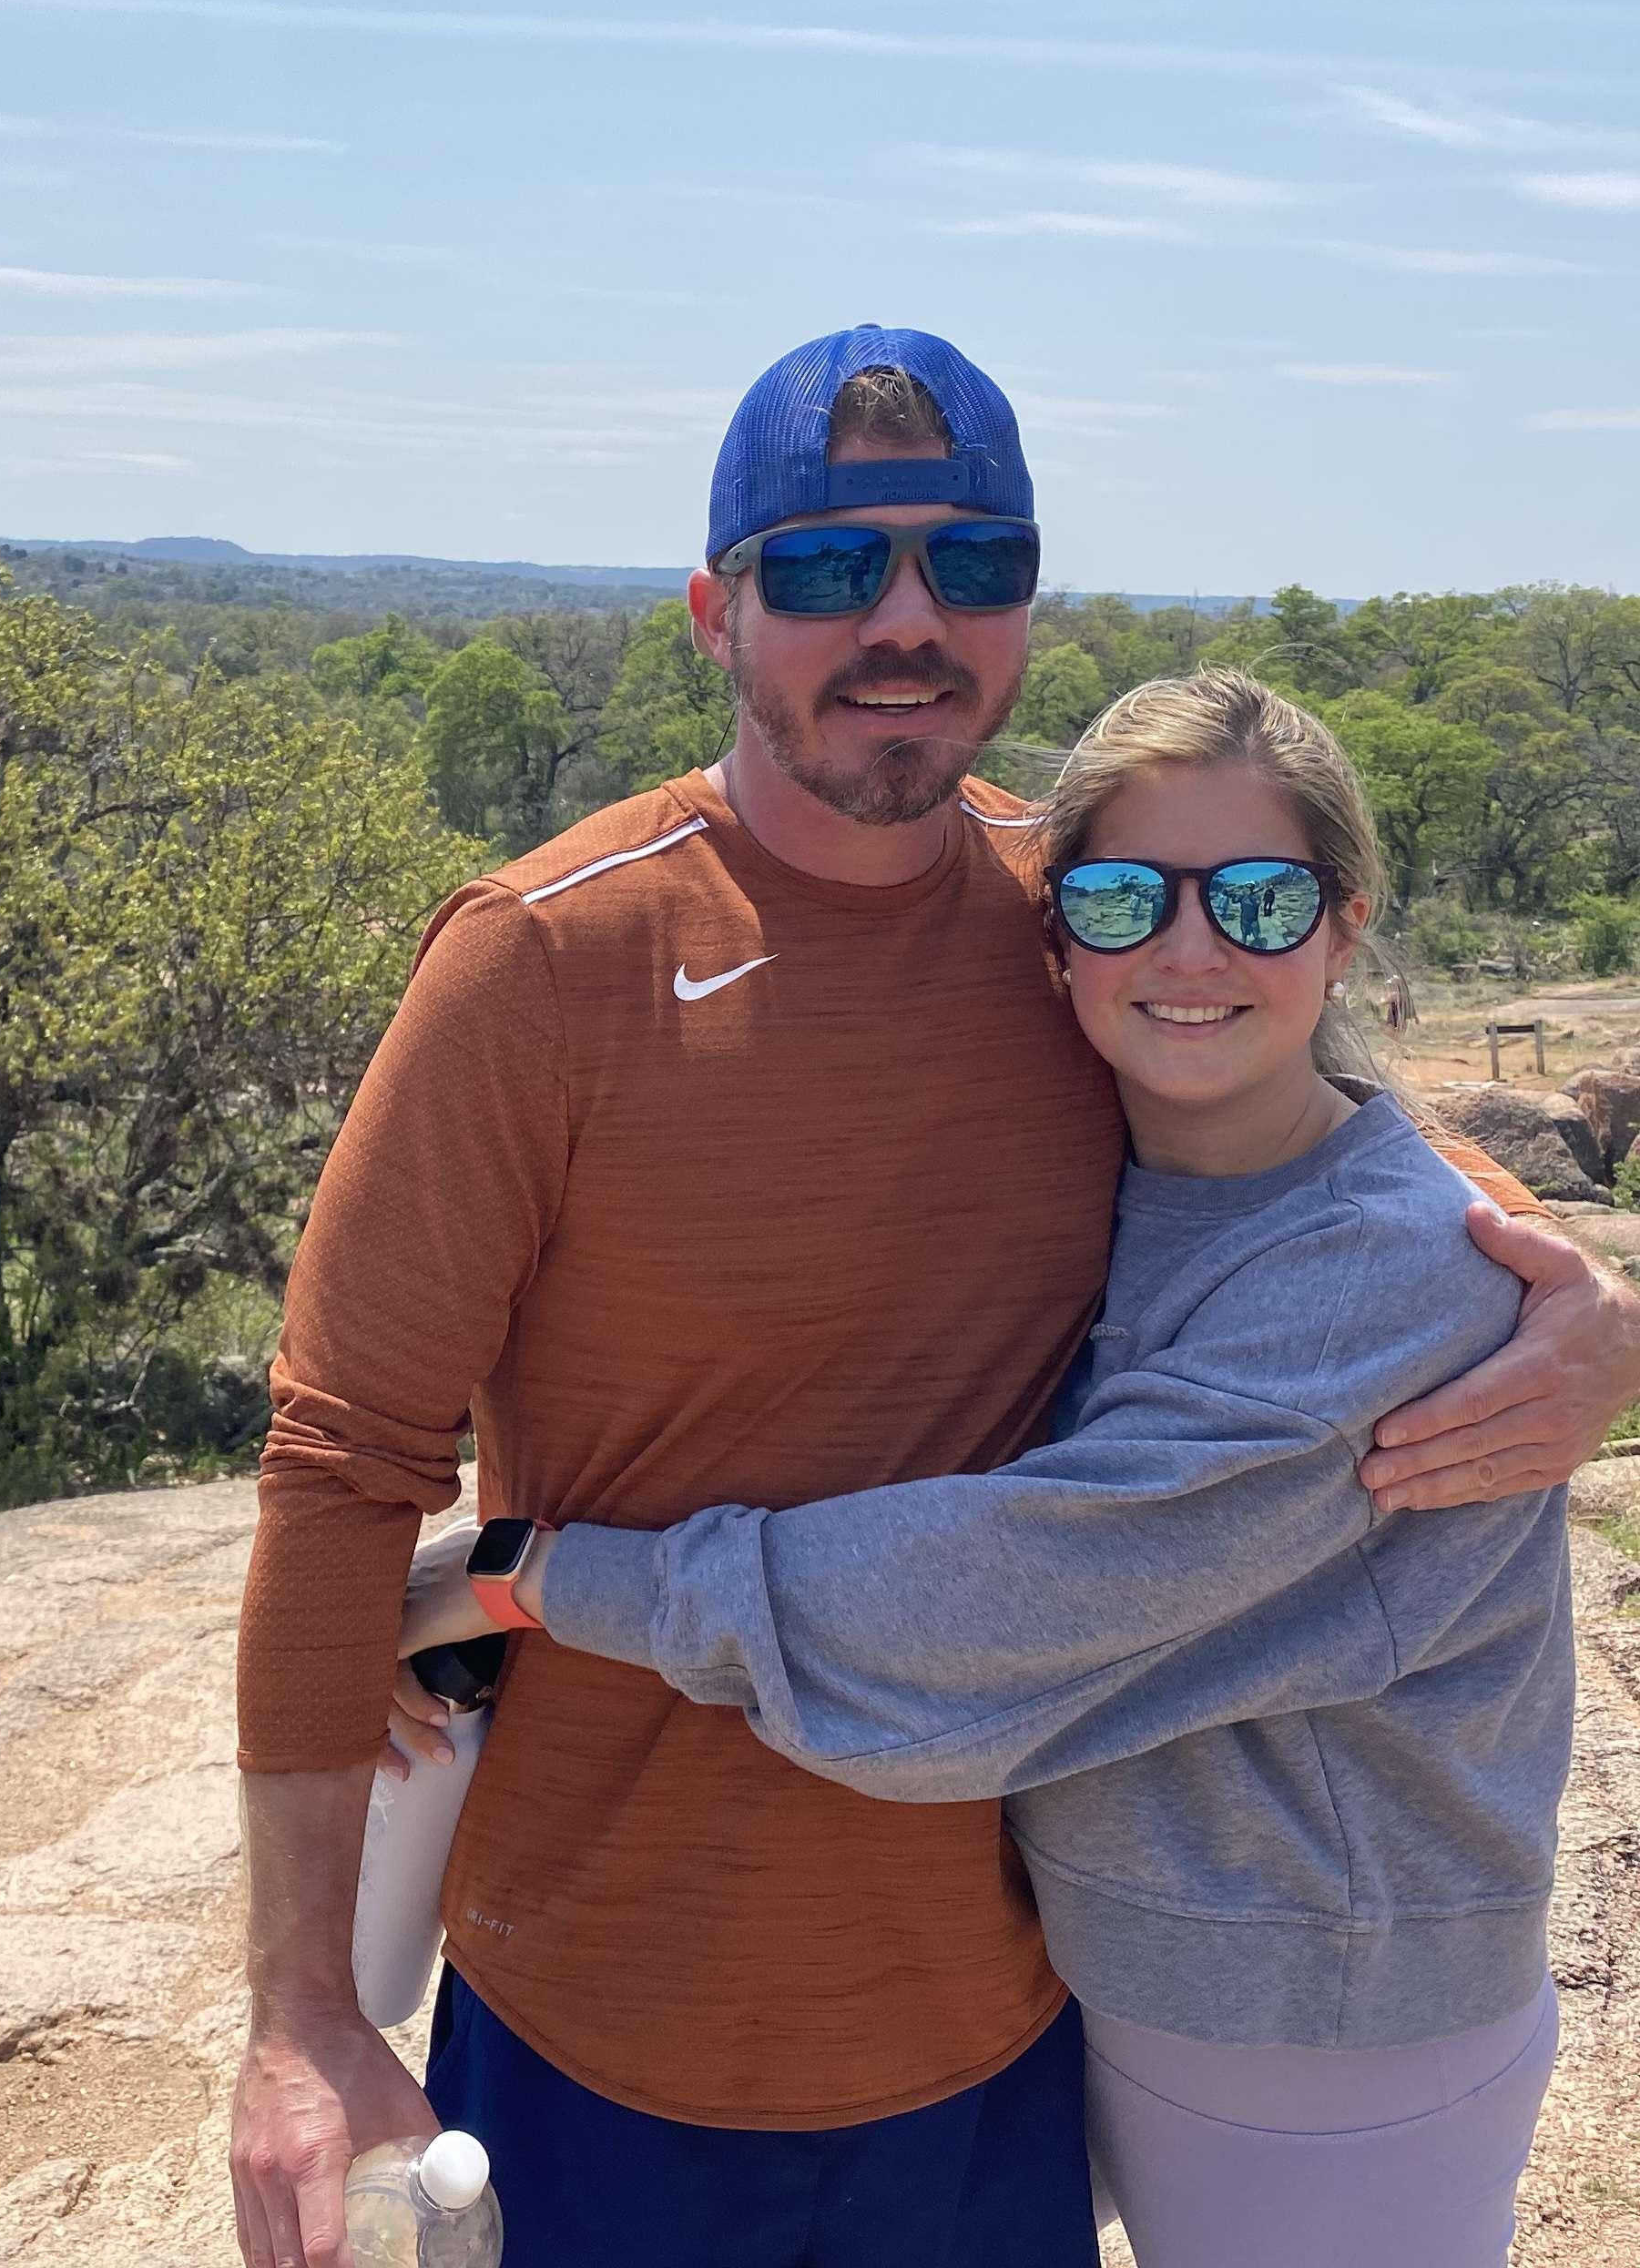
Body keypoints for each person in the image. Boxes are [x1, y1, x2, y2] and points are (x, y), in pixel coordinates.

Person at [228, 323, 1640, 2268]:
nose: (905, 618)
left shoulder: (1070, 916)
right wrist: (303, 2012)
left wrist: (1581, 1308)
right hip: (610, 2013)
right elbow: (341, 1458)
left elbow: (1308, 1105)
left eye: (968, 562)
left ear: (1026, 607)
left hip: (1004, 2012)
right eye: (828, 566)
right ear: (716, 612)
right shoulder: (545, 965)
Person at [392, 667, 1571, 2266]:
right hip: (1144, 1988)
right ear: (1054, 932)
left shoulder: (1387, 1273)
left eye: (1263, 898)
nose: (1190, 946)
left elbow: (1008, 1593)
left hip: (1326, 2016)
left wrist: (530, 1574)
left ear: (1347, 924)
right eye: (1118, 894)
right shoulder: (1142, 1167)